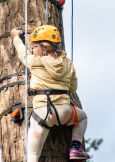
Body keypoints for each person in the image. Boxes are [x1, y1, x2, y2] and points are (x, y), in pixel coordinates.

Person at [11, 25, 90, 162]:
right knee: (82, 117)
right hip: (65, 112)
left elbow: (23, 55)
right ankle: (75, 147)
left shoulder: (37, 61)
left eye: (35, 46)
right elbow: (72, 88)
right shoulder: (68, 63)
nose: (32, 49)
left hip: (43, 112)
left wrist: (16, 38)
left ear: (45, 48)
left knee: (33, 155)